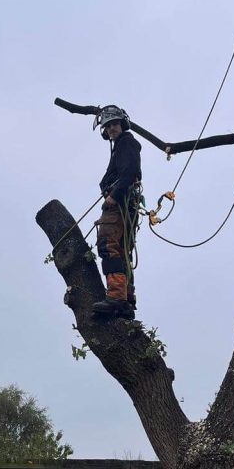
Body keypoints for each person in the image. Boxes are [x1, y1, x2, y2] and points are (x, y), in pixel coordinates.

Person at [92, 106, 142, 318]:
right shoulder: (120, 147)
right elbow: (109, 177)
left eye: (114, 124)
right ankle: (125, 299)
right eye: (108, 126)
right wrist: (105, 187)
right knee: (121, 249)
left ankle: (115, 296)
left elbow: (130, 172)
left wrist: (114, 195)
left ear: (122, 124)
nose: (111, 128)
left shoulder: (127, 143)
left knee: (107, 243)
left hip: (120, 204)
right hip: (125, 205)